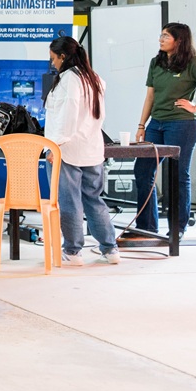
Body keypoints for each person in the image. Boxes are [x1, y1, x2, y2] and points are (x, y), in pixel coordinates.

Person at [127, 22, 196, 240]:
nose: (160, 39)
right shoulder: (156, 62)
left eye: (166, 36)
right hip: (156, 123)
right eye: (161, 35)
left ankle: (178, 227)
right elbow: (150, 97)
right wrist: (142, 125)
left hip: (182, 124)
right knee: (143, 170)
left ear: (179, 40)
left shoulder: (193, 63)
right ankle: (146, 227)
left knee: (179, 174)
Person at [45, 36, 120, 266]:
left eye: (53, 58)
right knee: (94, 200)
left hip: (68, 150)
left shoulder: (69, 79)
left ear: (63, 56)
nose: (52, 63)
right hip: (91, 149)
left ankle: (73, 252)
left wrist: (56, 145)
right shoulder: (93, 77)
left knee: (70, 202)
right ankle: (110, 249)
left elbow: (68, 116)